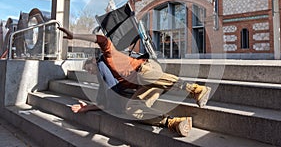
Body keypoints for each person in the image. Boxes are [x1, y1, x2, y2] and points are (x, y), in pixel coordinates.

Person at [58, 27, 211, 137]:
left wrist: (75, 35)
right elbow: (103, 103)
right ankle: (173, 123)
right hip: (148, 86)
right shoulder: (107, 82)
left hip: (147, 69)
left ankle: (195, 89)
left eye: (88, 68)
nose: (89, 72)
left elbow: (102, 40)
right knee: (131, 109)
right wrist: (87, 108)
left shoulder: (110, 58)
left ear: (94, 61)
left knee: (141, 76)